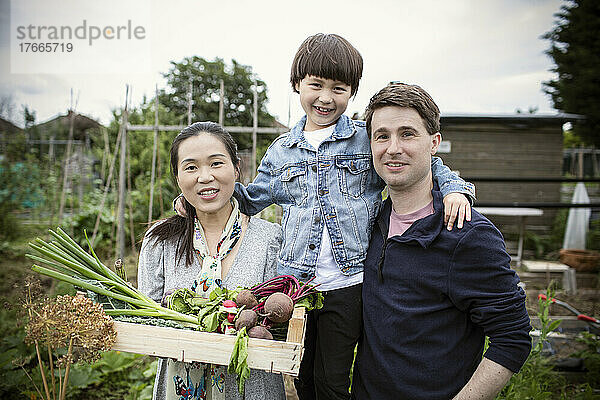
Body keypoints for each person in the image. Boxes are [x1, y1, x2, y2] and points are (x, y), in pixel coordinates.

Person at [175, 34, 475, 400]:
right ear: (297, 85)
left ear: (352, 92)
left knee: (332, 380)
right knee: (300, 375)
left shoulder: (363, 141)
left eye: (339, 88)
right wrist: (198, 194)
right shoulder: (283, 150)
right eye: (315, 85)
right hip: (295, 286)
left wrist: (456, 189)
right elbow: (250, 198)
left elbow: (431, 161)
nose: (326, 98)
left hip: (348, 284)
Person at [351, 83, 532, 400]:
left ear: (434, 143)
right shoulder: (368, 224)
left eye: (407, 134)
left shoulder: (467, 234)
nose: (393, 147)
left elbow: (512, 337)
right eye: (382, 136)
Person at [138, 122, 286, 400]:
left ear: (236, 168)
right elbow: (148, 325)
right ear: (178, 177)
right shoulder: (160, 242)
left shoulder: (271, 239)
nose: (205, 177)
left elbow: (280, 329)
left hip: (252, 388)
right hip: (178, 386)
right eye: (191, 167)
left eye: (216, 163)